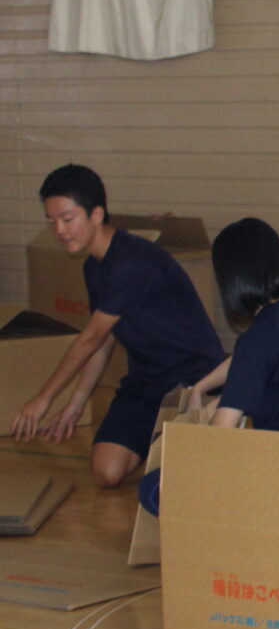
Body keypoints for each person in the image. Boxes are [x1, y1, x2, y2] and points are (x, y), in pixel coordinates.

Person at [10, 165, 225, 488]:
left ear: (96, 214)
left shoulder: (132, 263)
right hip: (145, 383)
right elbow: (105, 338)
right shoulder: (93, 267)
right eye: (51, 221)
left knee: (182, 480)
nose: (59, 230)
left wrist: (43, 398)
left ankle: (175, 443)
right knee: (105, 472)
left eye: (67, 219)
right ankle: (160, 443)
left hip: (192, 381)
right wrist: (77, 401)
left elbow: (90, 339)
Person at [139, 218, 279, 516]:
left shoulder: (258, 337)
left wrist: (187, 458)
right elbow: (252, 363)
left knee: (150, 487)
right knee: (218, 407)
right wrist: (202, 387)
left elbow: (221, 436)